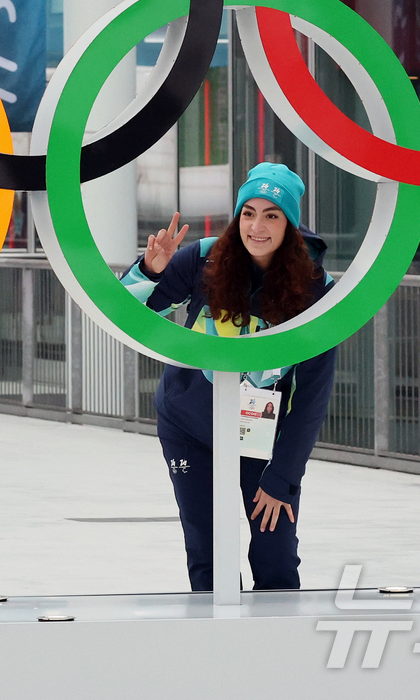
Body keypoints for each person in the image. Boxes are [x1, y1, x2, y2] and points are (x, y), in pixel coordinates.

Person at [122, 161, 337, 592]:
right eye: (249, 212)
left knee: (275, 553)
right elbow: (134, 321)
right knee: (209, 552)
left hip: (262, 435)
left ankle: (276, 651)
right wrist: (151, 271)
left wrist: (284, 476)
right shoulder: (203, 257)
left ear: (290, 224)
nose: (257, 226)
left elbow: (312, 395)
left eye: (272, 215)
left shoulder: (317, 288)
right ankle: (217, 651)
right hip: (189, 425)